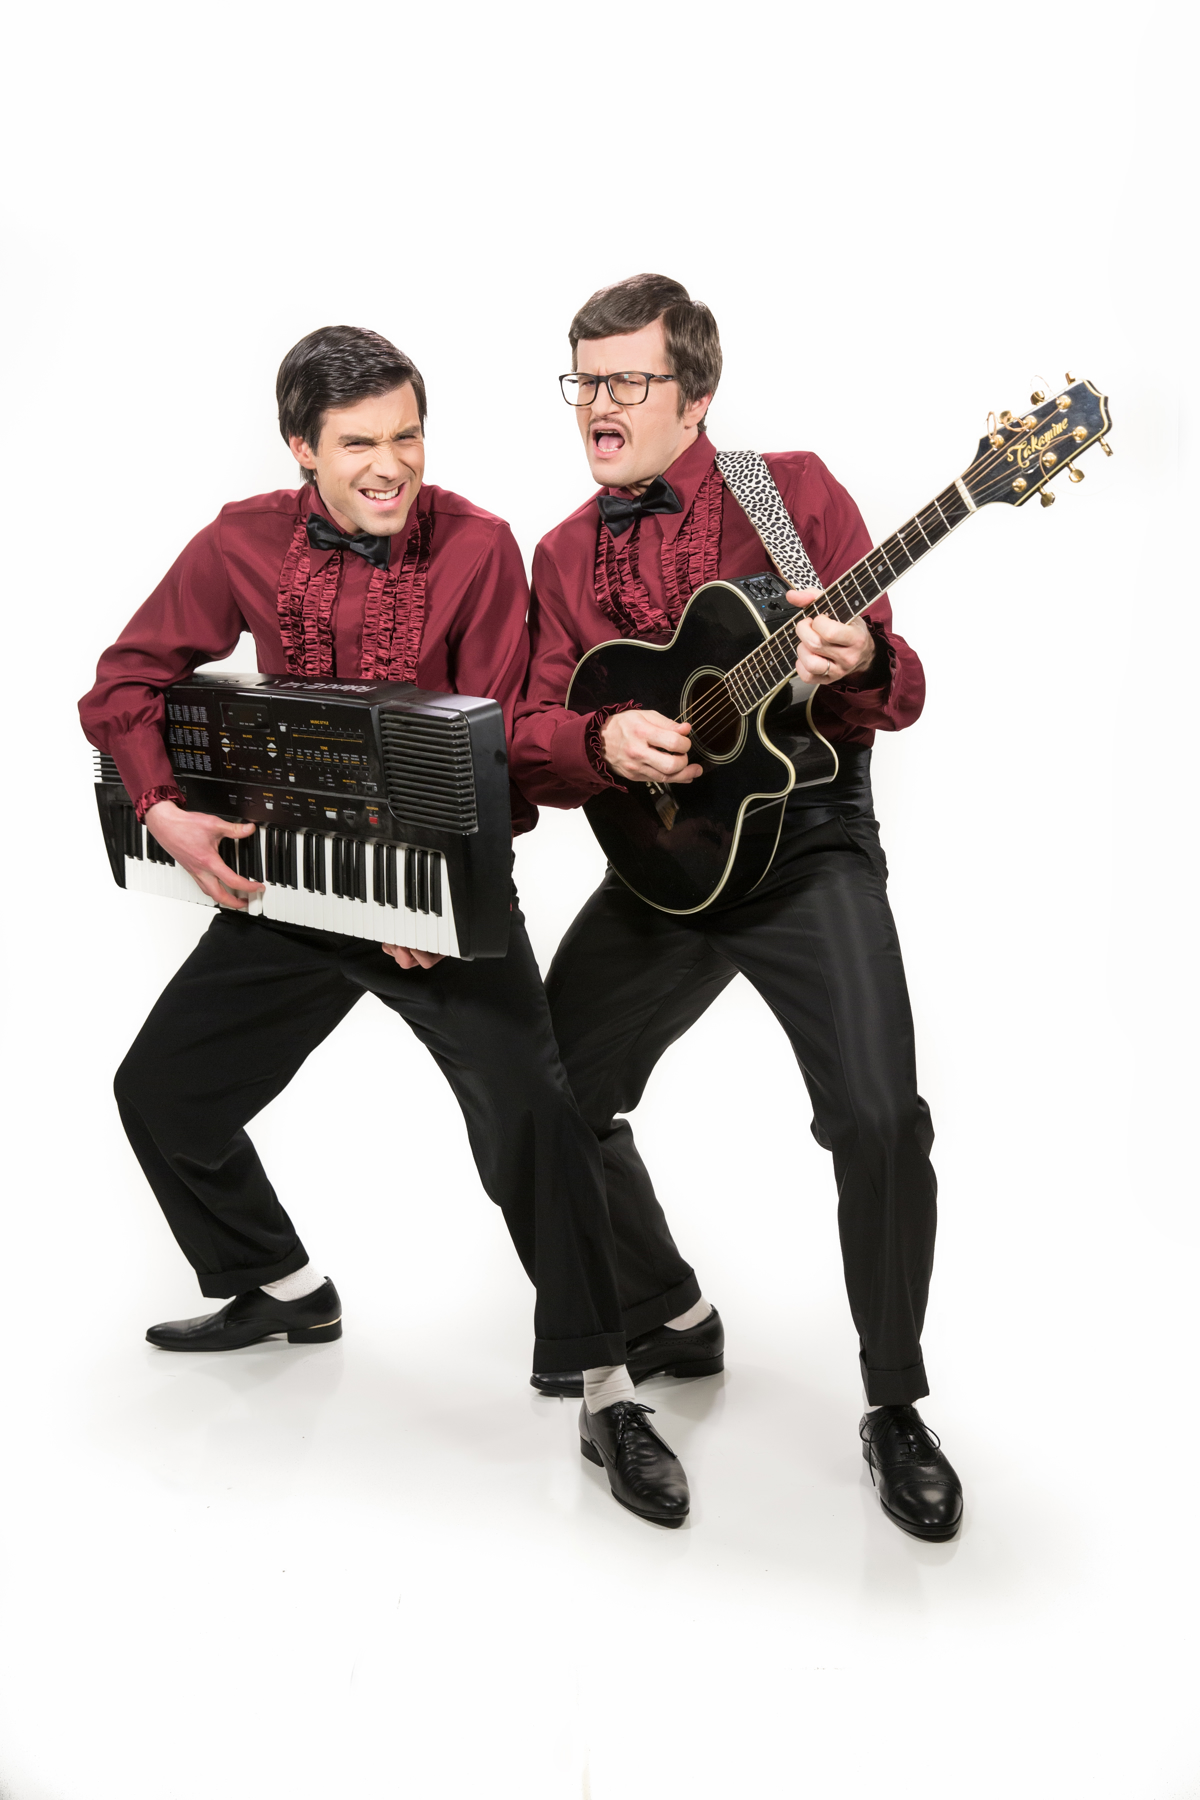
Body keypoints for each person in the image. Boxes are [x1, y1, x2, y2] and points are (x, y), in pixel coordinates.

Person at [78, 324, 690, 1528]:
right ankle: (278, 1284)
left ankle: (607, 1386)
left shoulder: (478, 545)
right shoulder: (238, 541)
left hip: (436, 899)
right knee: (162, 1092)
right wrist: (163, 810)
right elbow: (123, 681)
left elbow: (498, 752)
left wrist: (429, 898)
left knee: (533, 1115)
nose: (391, 464)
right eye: (359, 443)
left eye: (408, 435)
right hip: (301, 886)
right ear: (300, 447)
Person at [512, 274, 963, 1540]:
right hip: (663, 866)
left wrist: (861, 654)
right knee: (547, 1094)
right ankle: (651, 1326)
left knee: (878, 1117)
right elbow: (534, 733)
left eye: (626, 380)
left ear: (696, 393)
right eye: (584, 379)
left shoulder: (790, 495)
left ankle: (894, 1402)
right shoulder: (562, 554)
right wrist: (604, 740)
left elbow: (891, 687)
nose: (597, 404)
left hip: (804, 848)